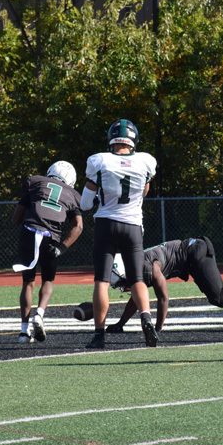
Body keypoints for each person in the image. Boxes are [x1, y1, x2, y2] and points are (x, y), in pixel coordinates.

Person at [79, 119, 158, 349]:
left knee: (102, 282)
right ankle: (145, 318)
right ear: (133, 140)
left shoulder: (99, 161)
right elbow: (144, 192)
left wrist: (96, 197)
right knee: (137, 280)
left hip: (106, 224)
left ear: (111, 140)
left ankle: (99, 335)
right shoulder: (146, 161)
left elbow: (85, 204)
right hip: (133, 226)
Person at [101, 238, 223, 332]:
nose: (124, 287)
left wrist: (158, 329)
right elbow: (137, 298)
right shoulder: (136, 265)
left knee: (219, 296)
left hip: (194, 251)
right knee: (220, 298)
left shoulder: (147, 267)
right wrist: (121, 323)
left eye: (123, 282)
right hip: (190, 257)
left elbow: (163, 298)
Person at [12, 161, 83, 343]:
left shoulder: (35, 183)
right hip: (51, 238)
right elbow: (78, 227)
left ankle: (23, 332)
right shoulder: (73, 195)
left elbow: (16, 218)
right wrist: (62, 247)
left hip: (29, 232)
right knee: (48, 280)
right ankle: (40, 314)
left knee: (28, 283)